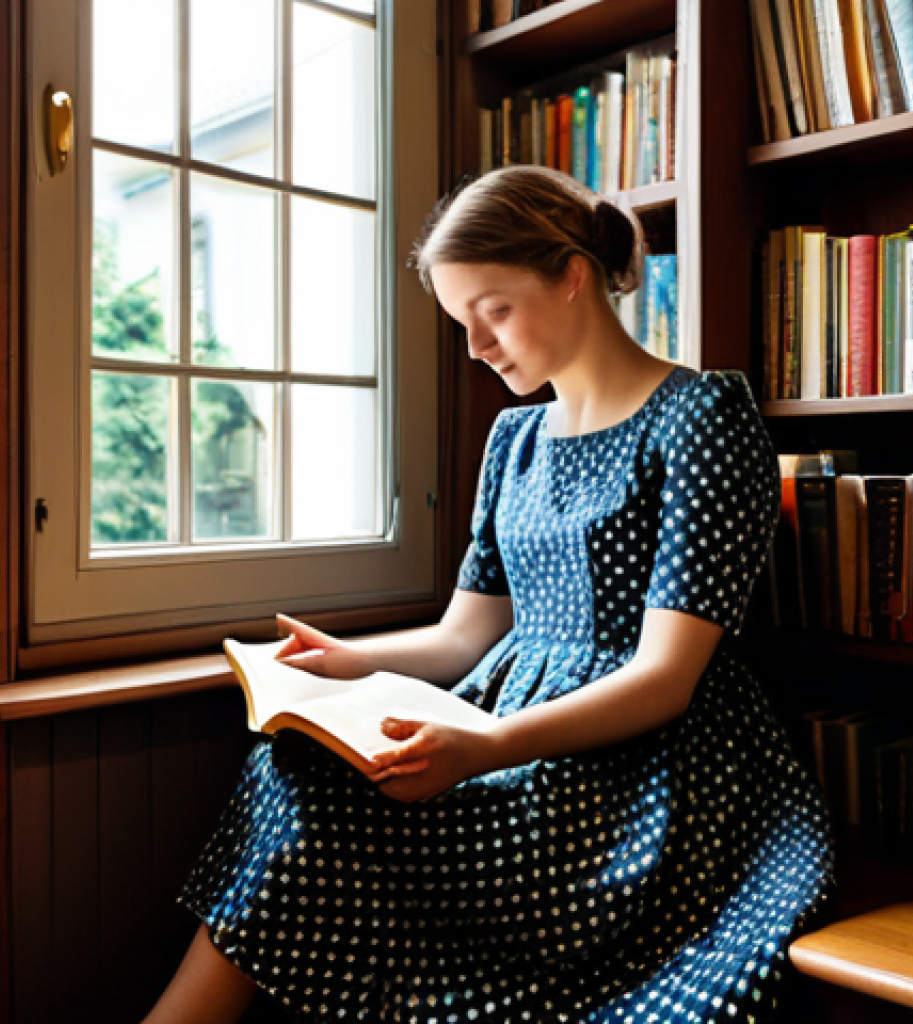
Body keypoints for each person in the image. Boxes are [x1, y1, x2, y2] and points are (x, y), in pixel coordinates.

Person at [145, 165, 832, 1024]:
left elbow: (665, 679)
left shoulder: (701, 415)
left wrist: (486, 749)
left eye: (492, 311)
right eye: (460, 321)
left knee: (338, 818)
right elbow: (464, 636)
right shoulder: (514, 439)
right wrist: (348, 661)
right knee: (295, 768)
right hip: (503, 727)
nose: (475, 346)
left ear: (571, 275)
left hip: (648, 772)